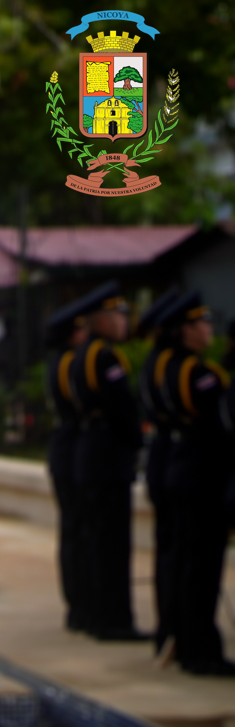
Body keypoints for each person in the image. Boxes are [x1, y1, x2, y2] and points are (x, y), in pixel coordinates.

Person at [156, 293, 235, 675]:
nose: (209, 330)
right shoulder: (199, 374)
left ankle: (186, 642)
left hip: (182, 466)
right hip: (202, 473)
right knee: (200, 568)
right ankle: (199, 649)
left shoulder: (170, 366)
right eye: (202, 324)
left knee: (188, 564)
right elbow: (221, 427)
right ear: (186, 330)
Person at [66, 283, 146, 641]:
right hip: (107, 455)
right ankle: (113, 620)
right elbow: (121, 411)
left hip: (90, 452)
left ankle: (95, 615)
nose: (124, 322)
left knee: (96, 539)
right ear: (102, 319)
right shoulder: (104, 357)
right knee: (111, 543)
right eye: (118, 315)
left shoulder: (83, 354)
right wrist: (137, 443)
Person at [137, 289, 188, 657]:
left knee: (171, 552)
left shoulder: (155, 363)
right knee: (188, 556)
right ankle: (188, 641)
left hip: (164, 460)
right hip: (186, 464)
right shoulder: (185, 368)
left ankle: (169, 634)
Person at [45, 300, 91, 632]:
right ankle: (81, 604)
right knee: (78, 531)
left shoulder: (61, 362)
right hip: (72, 448)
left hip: (66, 447)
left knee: (75, 531)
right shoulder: (69, 364)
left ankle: (80, 604)